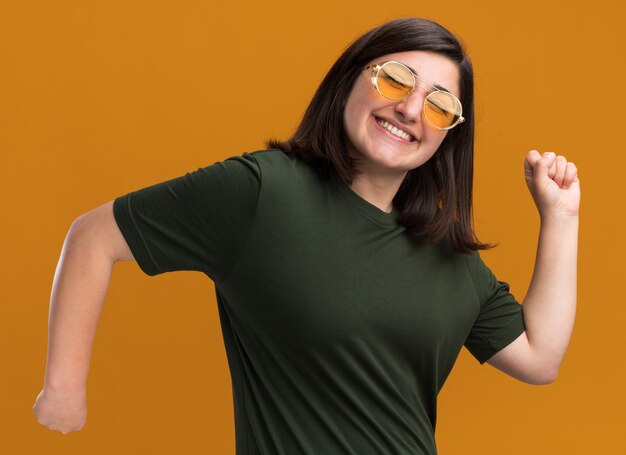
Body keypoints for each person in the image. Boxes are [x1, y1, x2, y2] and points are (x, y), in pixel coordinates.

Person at [33, 17, 580, 454]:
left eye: (441, 105)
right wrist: (63, 388)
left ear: (450, 136)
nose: (411, 109)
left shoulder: (446, 255)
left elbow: (539, 357)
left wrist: (560, 218)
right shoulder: (263, 192)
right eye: (395, 79)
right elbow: (93, 236)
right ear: (351, 79)